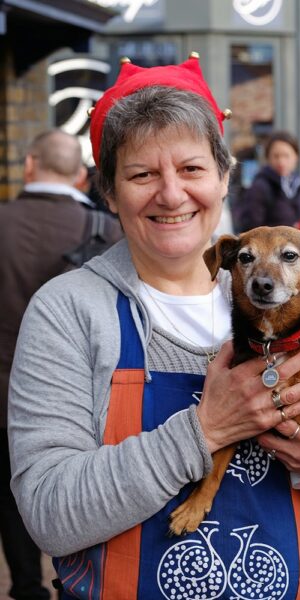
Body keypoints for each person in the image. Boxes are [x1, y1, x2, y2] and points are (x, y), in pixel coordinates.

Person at [7, 55, 300, 600]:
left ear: (224, 178)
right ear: (108, 192)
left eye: (192, 169)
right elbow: (49, 512)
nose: (171, 195)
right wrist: (204, 430)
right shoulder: (71, 312)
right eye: (142, 173)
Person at [0, 129, 122, 600]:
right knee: (87, 492)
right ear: (78, 174)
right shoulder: (108, 231)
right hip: (92, 395)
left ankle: (28, 587)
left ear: (30, 165)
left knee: (13, 498)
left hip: (2, 390)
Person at [234, 130, 300, 232]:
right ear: (268, 158)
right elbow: (252, 227)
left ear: (296, 157)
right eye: (276, 156)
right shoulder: (260, 186)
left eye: (286, 156)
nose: (281, 161)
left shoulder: (297, 185)